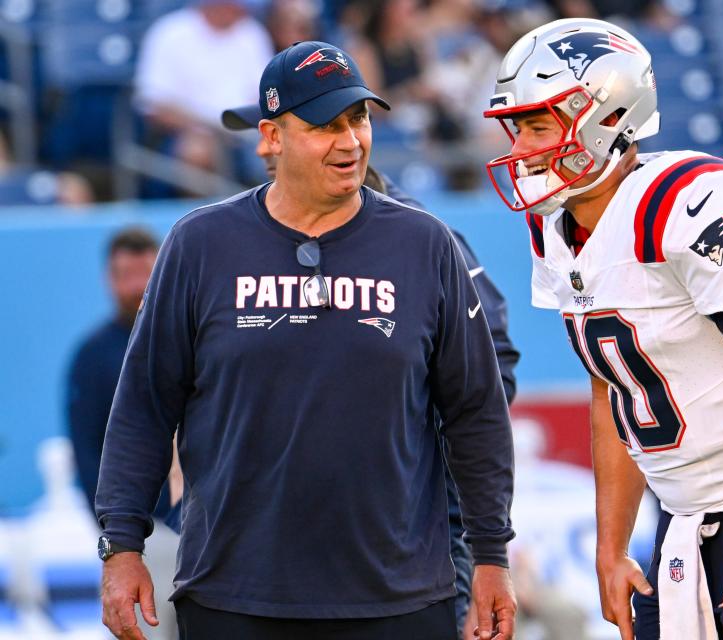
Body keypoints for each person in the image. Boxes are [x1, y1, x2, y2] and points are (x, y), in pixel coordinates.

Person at [96, 40, 517, 640]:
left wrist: (491, 554)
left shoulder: (425, 244)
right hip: (234, 595)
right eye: (324, 125)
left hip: (399, 597)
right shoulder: (199, 245)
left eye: (358, 119)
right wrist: (121, 544)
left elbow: (478, 410)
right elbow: (142, 405)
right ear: (270, 136)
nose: (349, 141)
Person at [482, 18, 723, 640]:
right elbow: (615, 392)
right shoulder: (553, 229)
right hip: (682, 517)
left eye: (538, 125)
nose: (521, 147)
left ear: (604, 118)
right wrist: (611, 547)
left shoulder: (680, 202)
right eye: (517, 127)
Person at [220, 100, 521, 637]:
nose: (267, 152)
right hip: (282, 535)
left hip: (408, 530)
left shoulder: (422, 236)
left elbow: (492, 370)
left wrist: (397, 442)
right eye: (266, 135)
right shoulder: (251, 233)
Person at [65, 228, 181, 640]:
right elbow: (86, 449)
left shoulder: (191, 339)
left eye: (144, 272)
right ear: (108, 279)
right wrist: (116, 533)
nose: (135, 286)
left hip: (201, 526)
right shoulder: (94, 356)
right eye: (124, 274)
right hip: (140, 530)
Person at [133, 0, 273, 180]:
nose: (241, 11)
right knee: (197, 152)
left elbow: (263, 92)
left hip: (246, 132)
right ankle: (207, 209)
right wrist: (211, 127)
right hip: (189, 132)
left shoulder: (252, 33)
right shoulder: (171, 32)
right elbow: (153, 103)